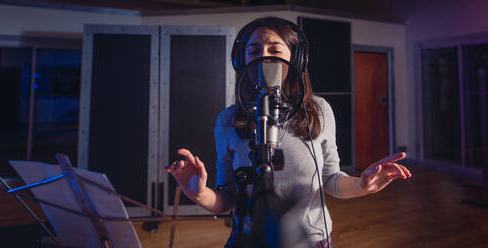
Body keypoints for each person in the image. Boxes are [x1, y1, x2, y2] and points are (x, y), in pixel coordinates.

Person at [165, 16, 411, 248]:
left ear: (295, 59)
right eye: (254, 51)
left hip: (309, 239)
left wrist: (362, 185)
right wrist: (198, 194)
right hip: (249, 239)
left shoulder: (320, 111)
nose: (264, 58)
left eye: (274, 49)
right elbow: (226, 198)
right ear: (243, 61)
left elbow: (331, 180)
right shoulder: (228, 120)